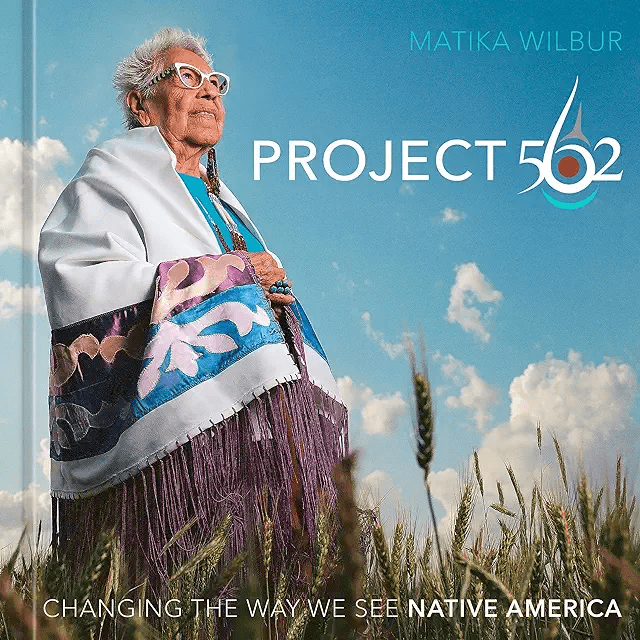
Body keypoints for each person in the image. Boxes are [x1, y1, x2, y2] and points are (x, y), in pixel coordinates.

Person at [38, 27, 347, 594]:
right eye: (186, 77)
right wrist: (229, 276)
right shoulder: (110, 177)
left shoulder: (226, 199)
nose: (208, 92)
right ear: (140, 103)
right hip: (176, 445)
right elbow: (79, 279)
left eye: (215, 83)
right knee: (174, 583)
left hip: (261, 426)